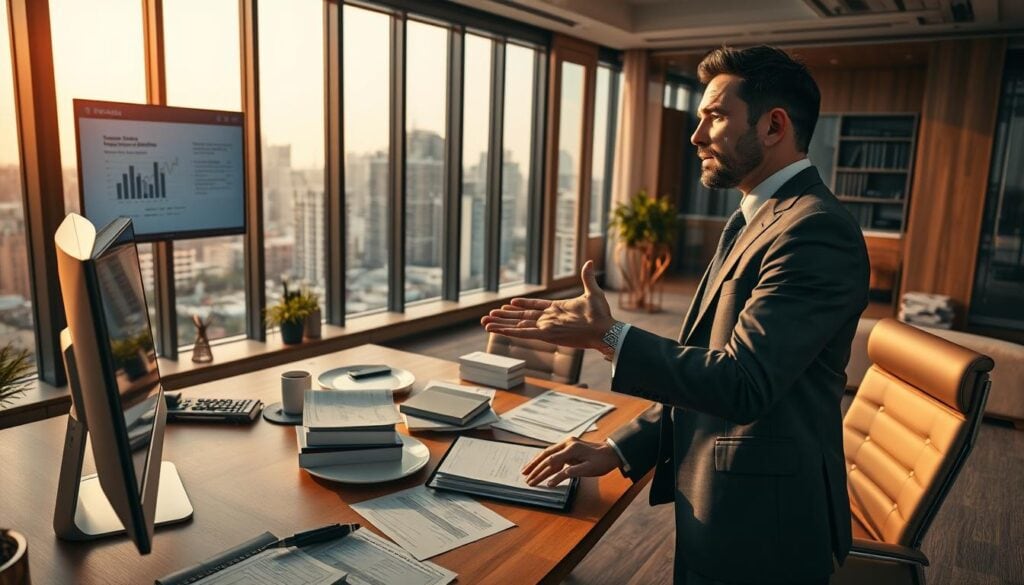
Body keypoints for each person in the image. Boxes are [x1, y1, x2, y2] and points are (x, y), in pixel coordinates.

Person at [481, 45, 869, 585]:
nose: (696, 135)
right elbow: (706, 366)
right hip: (728, 503)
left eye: (715, 116)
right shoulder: (754, 219)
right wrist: (617, 448)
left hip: (766, 527)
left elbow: (742, 384)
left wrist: (609, 336)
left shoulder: (813, 230)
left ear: (774, 126)